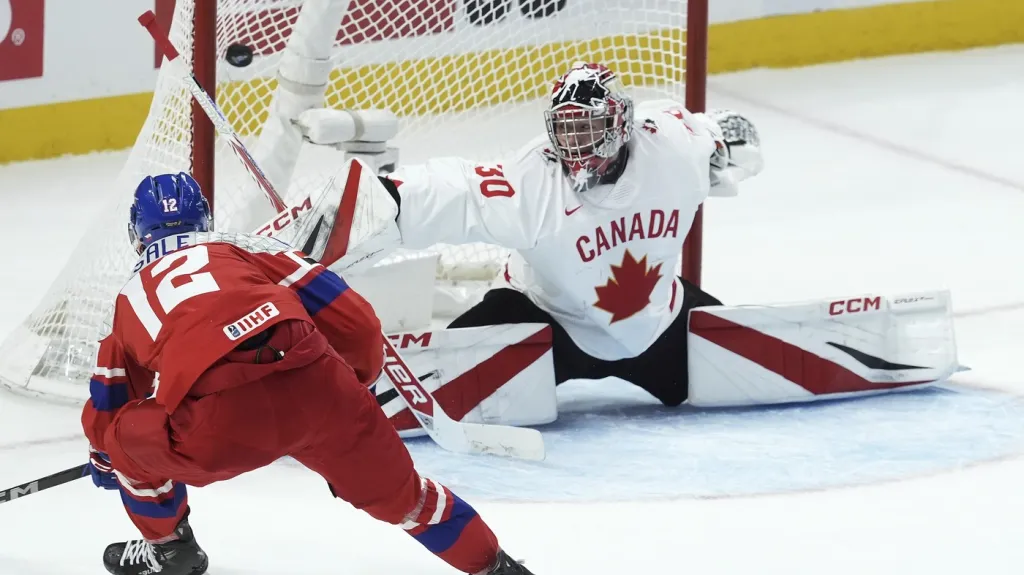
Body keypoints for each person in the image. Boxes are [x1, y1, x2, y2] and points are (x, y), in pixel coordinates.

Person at [82, 173, 535, 575]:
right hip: (323, 388)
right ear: (205, 218)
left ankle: (169, 550)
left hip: (223, 427)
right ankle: (495, 567)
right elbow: (357, 323)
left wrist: (108, 462)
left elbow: (108, 405)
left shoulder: (129, 298)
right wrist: (348, 391)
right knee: (410, 499)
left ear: (136, 234)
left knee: (122, 438)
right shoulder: (250, 249)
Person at [376, 62, 764, 407]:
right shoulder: (531, 180)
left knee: (748, 372)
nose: (575, 143)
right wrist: (380, 198)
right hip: (543, 325)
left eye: (589, 127)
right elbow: (454, 190)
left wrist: (731, 145)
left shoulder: (673, 145)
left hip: (657, 323)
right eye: (567, 129)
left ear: (620, 122)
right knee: (472, 347)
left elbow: (723, 138)